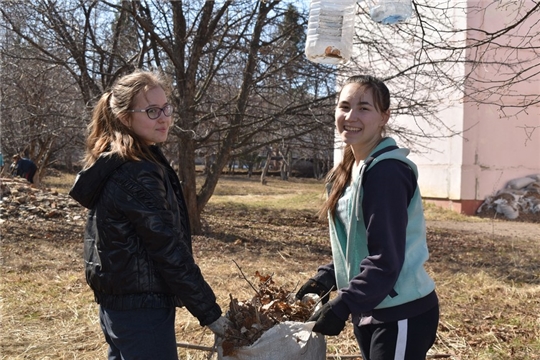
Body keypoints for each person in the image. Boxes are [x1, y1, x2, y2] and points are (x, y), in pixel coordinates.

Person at [69, 69, 230, 360]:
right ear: (124, 117)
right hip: (141, 313)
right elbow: (168, 249)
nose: (164, 118)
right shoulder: (137, 171)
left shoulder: (121, 162)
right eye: (152, 111)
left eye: (166, 108)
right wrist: (210, 313)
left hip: (119, 309)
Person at [296, 75, 439, 360]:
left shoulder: (386, 172)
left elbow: (386, 259)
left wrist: (343, 303)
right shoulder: (350, 170)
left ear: (384, 116)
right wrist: (328, 276)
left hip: (400, 314)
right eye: (344, 106)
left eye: (364, 108)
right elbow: (358, 242)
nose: (351, 116)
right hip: (371, 308)